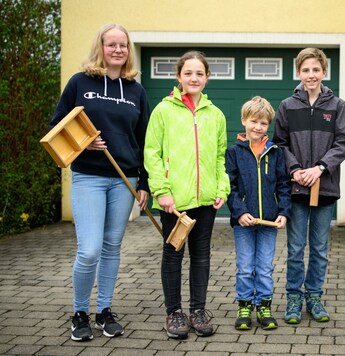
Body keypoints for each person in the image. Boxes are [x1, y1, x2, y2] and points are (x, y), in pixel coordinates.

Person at [49, 23, 149, 342]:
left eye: (123, 45)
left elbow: (144, 139)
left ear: (128, 50)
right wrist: (83, 142)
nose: (117, 50)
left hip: (124, 179)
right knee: (89, 249)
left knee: (111, 248)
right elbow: (57, 127)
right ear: (101, 47)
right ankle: (80, 312)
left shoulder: (136, 90)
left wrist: (144, 183)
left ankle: (104, 311)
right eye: (111, 44)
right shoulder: (81, 82)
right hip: (88, 177)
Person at [144, 50, 230, 339]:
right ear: (178, 76)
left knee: (201, 255)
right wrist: (162, 191)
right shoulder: (163, 111)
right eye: (188, 73)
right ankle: (175, 313)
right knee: (173, 254)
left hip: (206, 200)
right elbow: (152, 154)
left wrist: (221, 189)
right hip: (174, 203)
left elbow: (220, 157)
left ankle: (197, 310)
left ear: (207, 77)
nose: (194, 78)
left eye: (200, 73)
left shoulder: (215, 115)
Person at [272, 48, 345, 324]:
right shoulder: (287, 106)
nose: (311, 75)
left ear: (324, 72)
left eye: (316, 70)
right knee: (295, 248)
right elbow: (279, 143)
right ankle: (294, 297)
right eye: (305, 70)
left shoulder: (337, 106)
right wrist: (295, 170)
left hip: (324, 188)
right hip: (296, 190)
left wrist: (319, 168)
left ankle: (314, 296)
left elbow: (344, 143)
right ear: (298, 73)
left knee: (319, 248)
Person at [226, 96, 292, 330]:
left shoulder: (275, 152)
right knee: (245, 266)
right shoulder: (234, 152)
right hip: (243, 222)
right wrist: (239, 211)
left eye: (263, 123)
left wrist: (283, 211)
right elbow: (230, 187)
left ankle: (264, 305)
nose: (258, 127)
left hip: (269, 222)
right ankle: (244, 306)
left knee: (265, 267)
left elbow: (284, 184)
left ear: (268, 126)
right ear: (244, 120)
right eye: (254, 121)